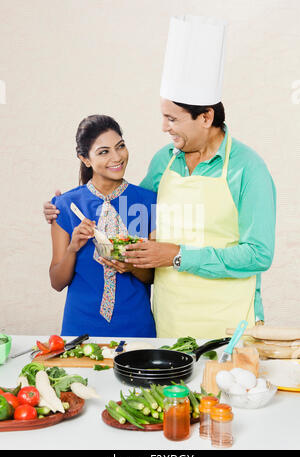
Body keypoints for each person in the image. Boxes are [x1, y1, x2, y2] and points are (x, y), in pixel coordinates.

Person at [44, 16, 276, 339]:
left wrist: (178, 255)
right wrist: (63, 206)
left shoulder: (248, 169)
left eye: (172, 118)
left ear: (206, 117)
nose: (164, 127)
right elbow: (125, 203)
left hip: (228, 327)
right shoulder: (163, 163)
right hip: (166, 327)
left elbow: (258, 254)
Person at [48, 114, 156, 337]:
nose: (117, 157)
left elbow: (154, 277)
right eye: (103, 152)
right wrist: (73, 248)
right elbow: (57, 282)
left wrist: (132, 267)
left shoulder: (149, 202)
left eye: (121, 146)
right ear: (85, 159)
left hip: (137, 327)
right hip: (80, 329)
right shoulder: (65, 206)